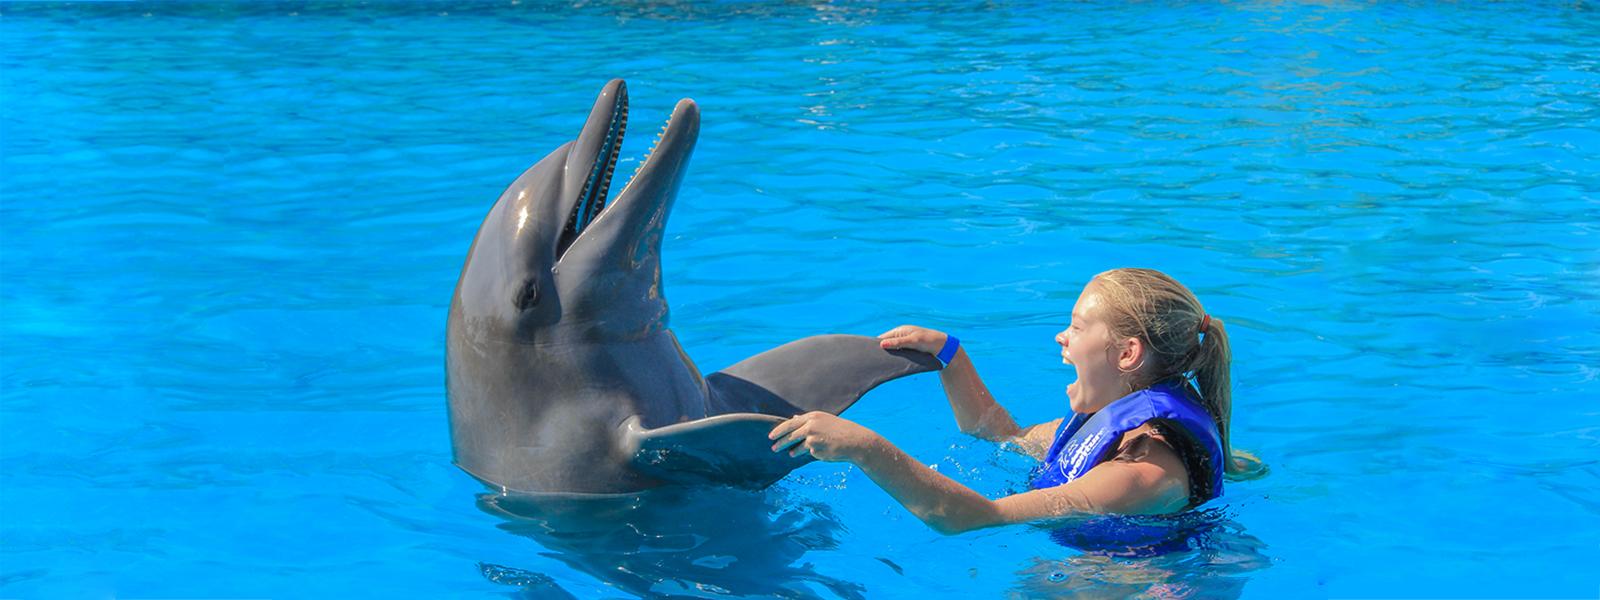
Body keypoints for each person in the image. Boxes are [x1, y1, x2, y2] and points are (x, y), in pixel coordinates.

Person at [768, 268, 1265, 535]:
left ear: (1127, 353)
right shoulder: (1113, 429)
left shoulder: (1141, 474)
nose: (1060, 338)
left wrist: (864, 447)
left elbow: (972, 518)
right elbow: (1002, 435)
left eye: (1075, 326)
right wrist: (952, 357)